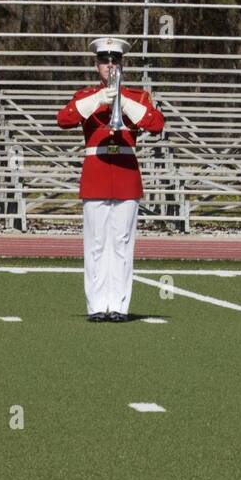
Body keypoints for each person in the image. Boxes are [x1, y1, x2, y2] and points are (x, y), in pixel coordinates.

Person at [57, 37, 165, 322]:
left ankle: (117, 305)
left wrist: (122, 100)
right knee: (95, 243)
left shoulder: (138, 96)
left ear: (121, 64)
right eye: (105, 61)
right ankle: (96, 305)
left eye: (115, 61)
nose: (110, 65)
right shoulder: (86, 95)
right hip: (96, 172)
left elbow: (156, 124)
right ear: (96, 66)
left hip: (126, 172)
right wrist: (98, 99)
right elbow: (64, 119)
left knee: (122, 242)